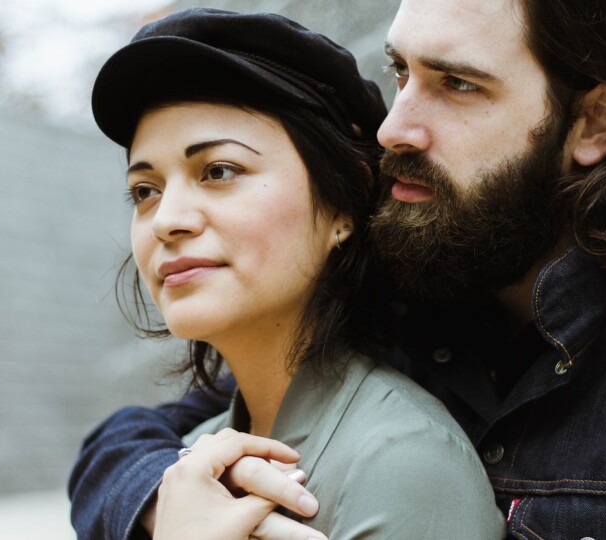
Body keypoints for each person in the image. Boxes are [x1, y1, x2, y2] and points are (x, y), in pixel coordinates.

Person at [70, 0, 606, 538]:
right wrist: (166, 502)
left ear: (594, 122)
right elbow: (136, 437)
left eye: (456, 83)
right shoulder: (407, 289)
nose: (394, 127)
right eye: (401, 73)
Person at [72, 7, 506, 540]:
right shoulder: (192, 464)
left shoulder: (404, 463)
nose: (167, 221)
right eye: (145, 191)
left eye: (219, 171)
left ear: (342, 206)